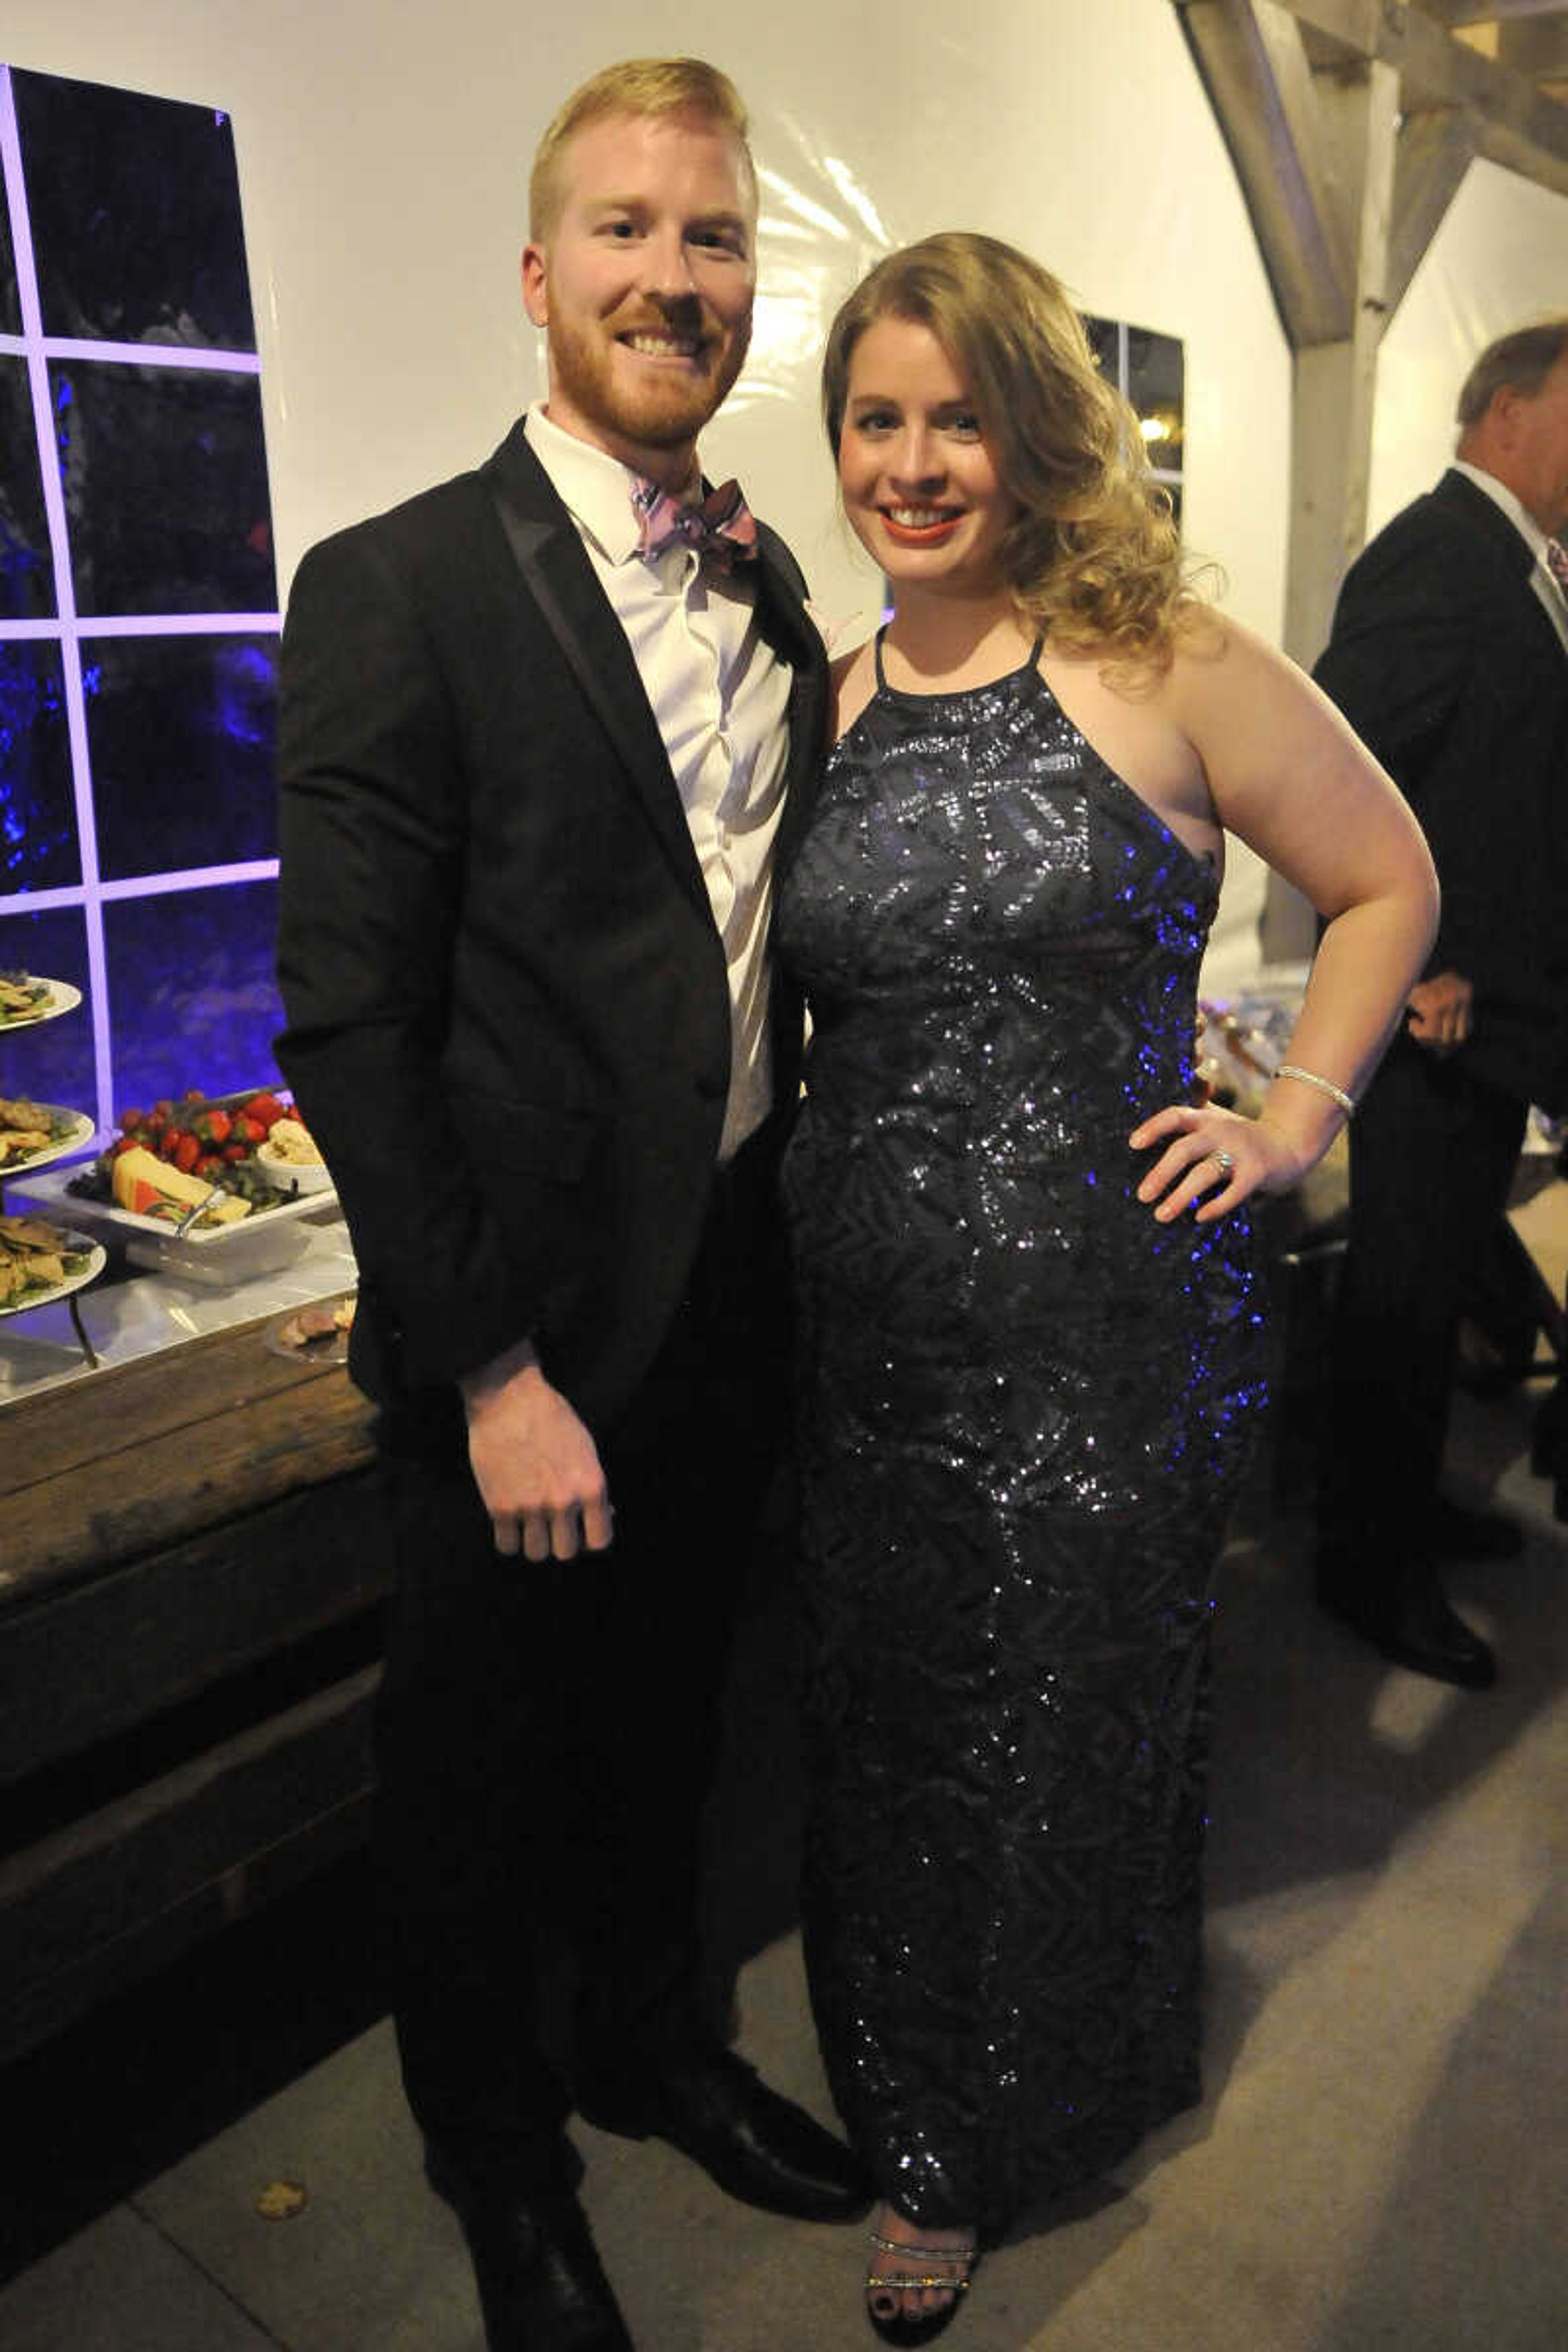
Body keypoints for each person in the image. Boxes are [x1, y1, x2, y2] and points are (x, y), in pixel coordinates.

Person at [775, 233, 1439, 2342]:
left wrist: (1299, 1114)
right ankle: (924, 2087)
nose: (911, 461)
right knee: (893, 1739)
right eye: (876, 419)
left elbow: (1387, 875)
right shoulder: (838, 695)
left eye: (955, 415)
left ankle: (987, 2144)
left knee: (1065, 1733)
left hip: (1108, 1339)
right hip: (865, 1345)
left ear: (1039, 433)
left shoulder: (1168, 662)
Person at [274, 58, 865, 2352]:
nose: (672, 275)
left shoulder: (771, 577)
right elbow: (349, 1027)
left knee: (670, 1731)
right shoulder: (398, 583)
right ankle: (504, 2171)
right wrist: (490, 1368)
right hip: (509, 1337)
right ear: (541, 277)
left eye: (712, 239)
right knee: (478, 1781)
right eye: (625, 231)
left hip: (728, 1292)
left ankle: (650, 2049)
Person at [1312, 318, 1568, 1690]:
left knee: (1439, 1285)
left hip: (1499, 1021)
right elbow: (1341, 780)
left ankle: (1408, 1511)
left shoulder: (1520, 567)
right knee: (1400, 1305)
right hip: (1429, 1024)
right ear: (1510, 415)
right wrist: (1421, 962)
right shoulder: (1436, 552)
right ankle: (1367, 1570)